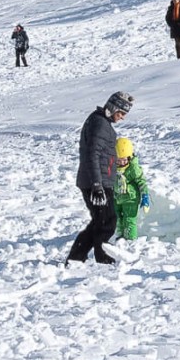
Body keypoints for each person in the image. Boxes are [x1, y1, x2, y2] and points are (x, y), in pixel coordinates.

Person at [68, 91, 134, 264]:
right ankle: (99, 256)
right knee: (107, 221)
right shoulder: (100, 124)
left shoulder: (101, 122)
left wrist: (114, 161)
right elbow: (92, 155)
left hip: (98, 180)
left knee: (101, 221)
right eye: (121, 113)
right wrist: (97, 185)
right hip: (95, 183)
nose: (122, 118)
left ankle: (79, 257)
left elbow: (101, 154)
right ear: (112, 108)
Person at [112, 137, 149, 241]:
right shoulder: (111, 167)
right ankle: (120, 237)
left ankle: (130, 240)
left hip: (131, 198)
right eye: (119, 159)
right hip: (116, 197)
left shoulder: (133, 168)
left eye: (124, 159)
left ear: (129, 157)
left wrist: (145, 196)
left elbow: (142, 182)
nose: (122, 162)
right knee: (117, 218)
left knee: (129, 220)